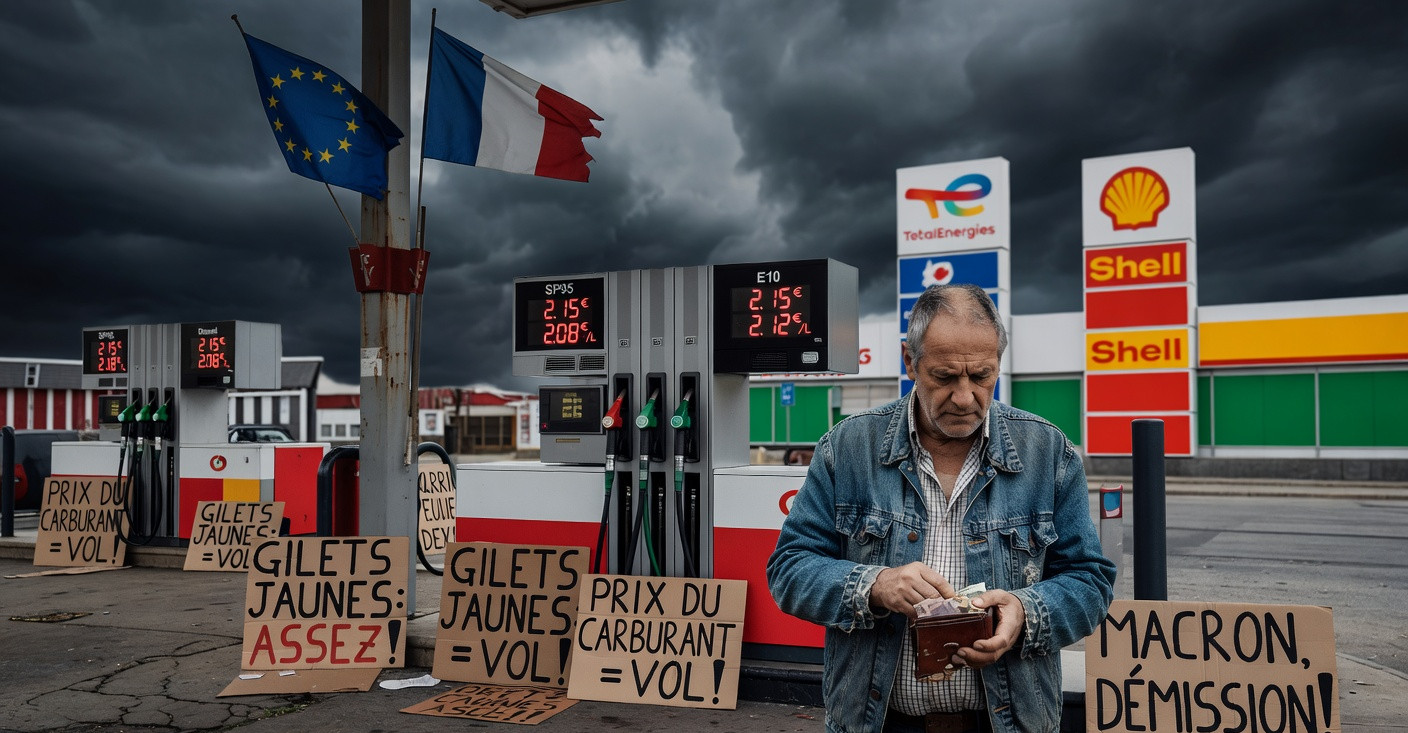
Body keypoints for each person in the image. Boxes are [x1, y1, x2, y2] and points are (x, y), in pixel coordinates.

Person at [767, 283, 1115, 733]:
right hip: (877, 723)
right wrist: (874, 585)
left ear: (998, 364)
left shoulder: (1048, 453)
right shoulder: (847, 448)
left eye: (982, 376)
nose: (965, 397)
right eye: (945, 377)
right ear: (910, 361)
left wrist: (1025, 611)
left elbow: (1090, 581)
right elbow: (790, 569)